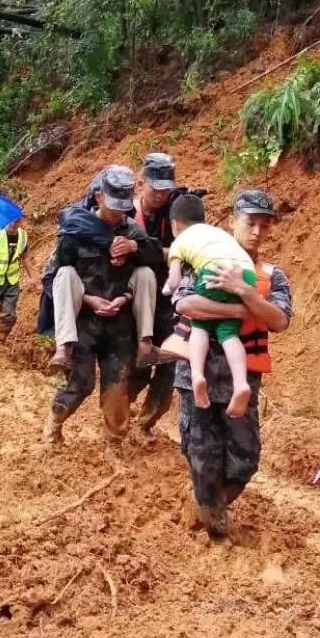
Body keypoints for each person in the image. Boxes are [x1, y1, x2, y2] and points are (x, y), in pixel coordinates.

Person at [169, 189, 292, 540]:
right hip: (200, 372)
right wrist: (240, 311)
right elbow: (185, 305)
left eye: (264, 226)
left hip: (243, 378)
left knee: (244, 460)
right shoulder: (203, 259)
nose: (256, 231)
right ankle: (213, 530)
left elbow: (279, 321)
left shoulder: (272, 275)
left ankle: (208, 510)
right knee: (202, 455)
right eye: (249, 223)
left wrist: (247, 293)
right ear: (232, 223)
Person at [46, 165, 164, 443]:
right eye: (113, 206)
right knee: (80, 383)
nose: (118, 213)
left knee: (117, 384)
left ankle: (114, 441)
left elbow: (154, 262)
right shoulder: (74, 231)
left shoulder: (132, 231)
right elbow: (51, 277)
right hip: (84, 323)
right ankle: (54, 423)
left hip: (119, 324)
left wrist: (124, 295)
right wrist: (88, 298)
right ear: (98, 197)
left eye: (123, 207)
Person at [162, 196, 257, 418]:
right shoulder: (220, 235)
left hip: (214, 271)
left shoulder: (180, 242)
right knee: (229, 333)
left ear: (175, 225)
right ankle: (241, 382)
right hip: (246, 275)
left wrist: (168, 289)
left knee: (200, 325)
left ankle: (196, 375)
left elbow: (175, 281)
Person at [128, 153, 183, 435]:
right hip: (134, 303)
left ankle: (146, 422)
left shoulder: (174, 216)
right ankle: (121, 412)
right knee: (138, 365)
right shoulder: (126, 213)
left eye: (166, 190)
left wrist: (145, 250)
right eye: (155, 189)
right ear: (141, 184)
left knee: (170, 365)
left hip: (168, 302)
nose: (160, 195)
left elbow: (185, 253)